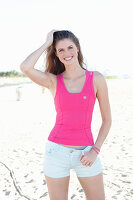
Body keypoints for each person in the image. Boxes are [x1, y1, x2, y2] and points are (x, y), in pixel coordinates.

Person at [20, 29, 112, 200]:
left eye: (70, 47)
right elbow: (25, 67)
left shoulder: (96, 78)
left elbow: (107, 120)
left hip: (86, 153)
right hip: (56, 152)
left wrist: (95, 150)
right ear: (55, 54)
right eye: (60, 50)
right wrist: (47, 43)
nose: (66, 53)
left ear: (77, 48)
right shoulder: (53, 80)